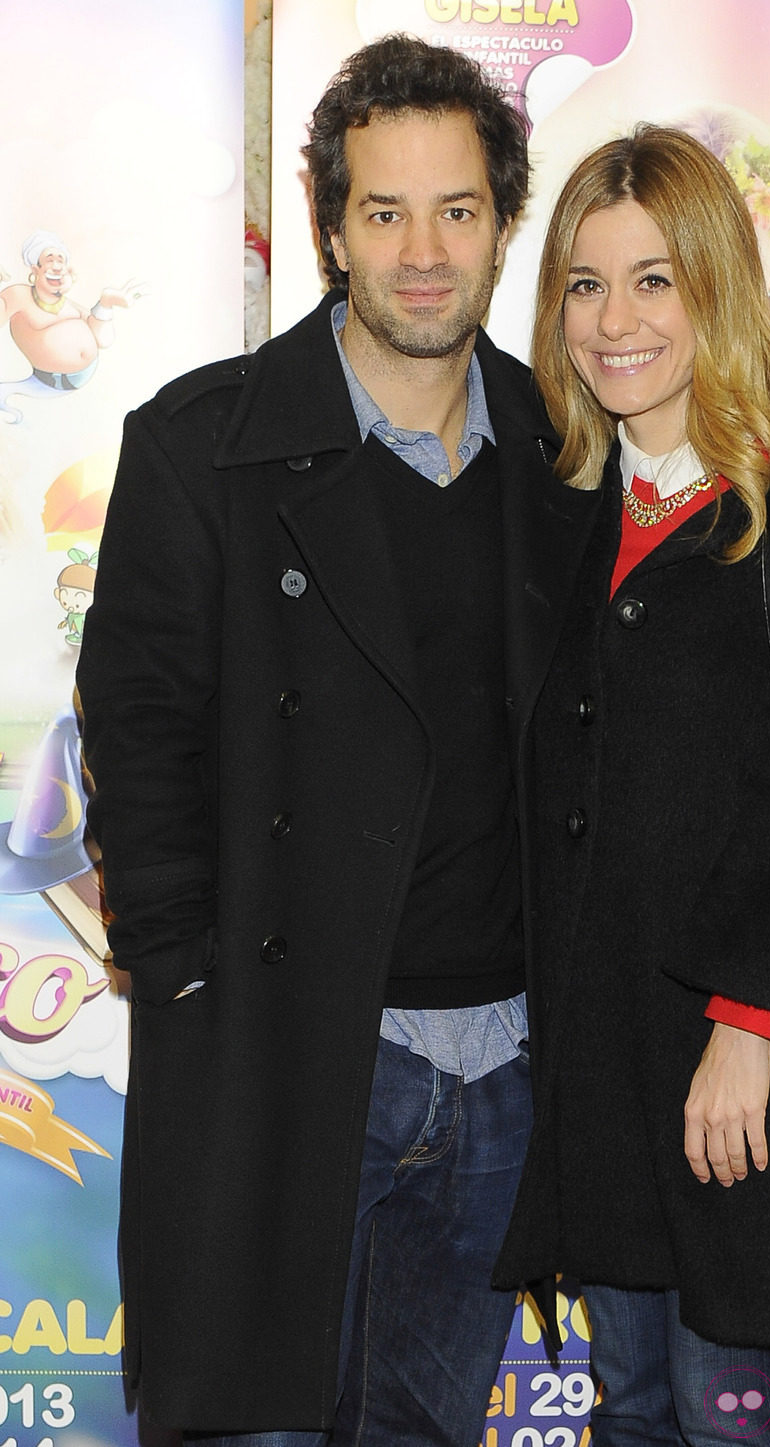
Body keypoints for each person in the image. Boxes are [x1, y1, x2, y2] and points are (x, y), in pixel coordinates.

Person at [76, 34, 597, 1447]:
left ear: (502, 221)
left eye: (458, 210)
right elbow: (139, 728)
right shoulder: (205, 444)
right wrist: (189, 985)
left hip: (506, 1068)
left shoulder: (568, 452)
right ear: (329, 226)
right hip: (295, 1056)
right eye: (385, 211)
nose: (423, 253)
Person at [492, 126, 770, 1446]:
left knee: (727, 1415)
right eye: (584, 282)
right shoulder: (559, 509)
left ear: (717, 290)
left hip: (746, 1057)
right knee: (627, 1411)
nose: (614, 321)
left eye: (654, 280)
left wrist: (748, 1025)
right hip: (596, 1057)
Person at [0, 231, 144, 421]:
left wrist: (106, 304)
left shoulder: (68, 304)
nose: (57, 266)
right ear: (35, 270)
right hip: (53, 380)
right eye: (50, 259)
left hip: (88, 378)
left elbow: (103, 340)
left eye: (61, 260)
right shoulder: (18, 295)